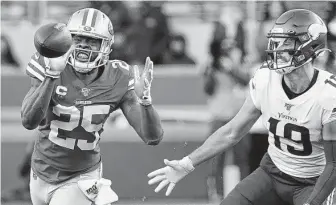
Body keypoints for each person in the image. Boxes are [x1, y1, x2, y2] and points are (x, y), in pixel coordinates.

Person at [148, 9, 336, 205]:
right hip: (272, 174)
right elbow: (232, 131)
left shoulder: (328, 95)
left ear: (310, 46)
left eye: (287, 42)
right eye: (277, 41)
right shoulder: (265, 79)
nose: (277, 48)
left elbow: (333, 165)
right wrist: (187, 164)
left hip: (311, 182)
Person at [21, 8, 164, 205]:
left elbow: (152, 137)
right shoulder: (49, 62)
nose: (84, 46)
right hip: (40, 170)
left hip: (81, 176)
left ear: (107, 45)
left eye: (92, 40)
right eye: (78, 38)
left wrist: (145, 101)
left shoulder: (118, 76)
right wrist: (51, 76)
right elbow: (29, 121)